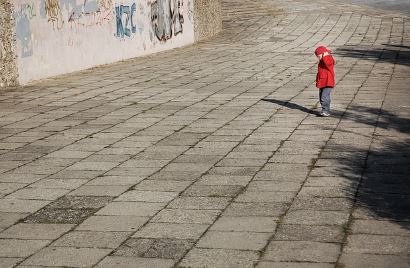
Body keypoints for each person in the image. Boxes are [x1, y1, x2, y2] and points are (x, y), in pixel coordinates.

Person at [315, 46, 335, 117]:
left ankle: (325, 111)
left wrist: (325, 55)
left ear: (323, 54)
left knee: (324, 97)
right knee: (322, 97)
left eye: (318, 56)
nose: (318, 57)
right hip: (323, 82)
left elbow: (329, 63)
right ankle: (326, 110)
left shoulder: (328, 59)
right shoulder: (322, 61)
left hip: (328, 82)